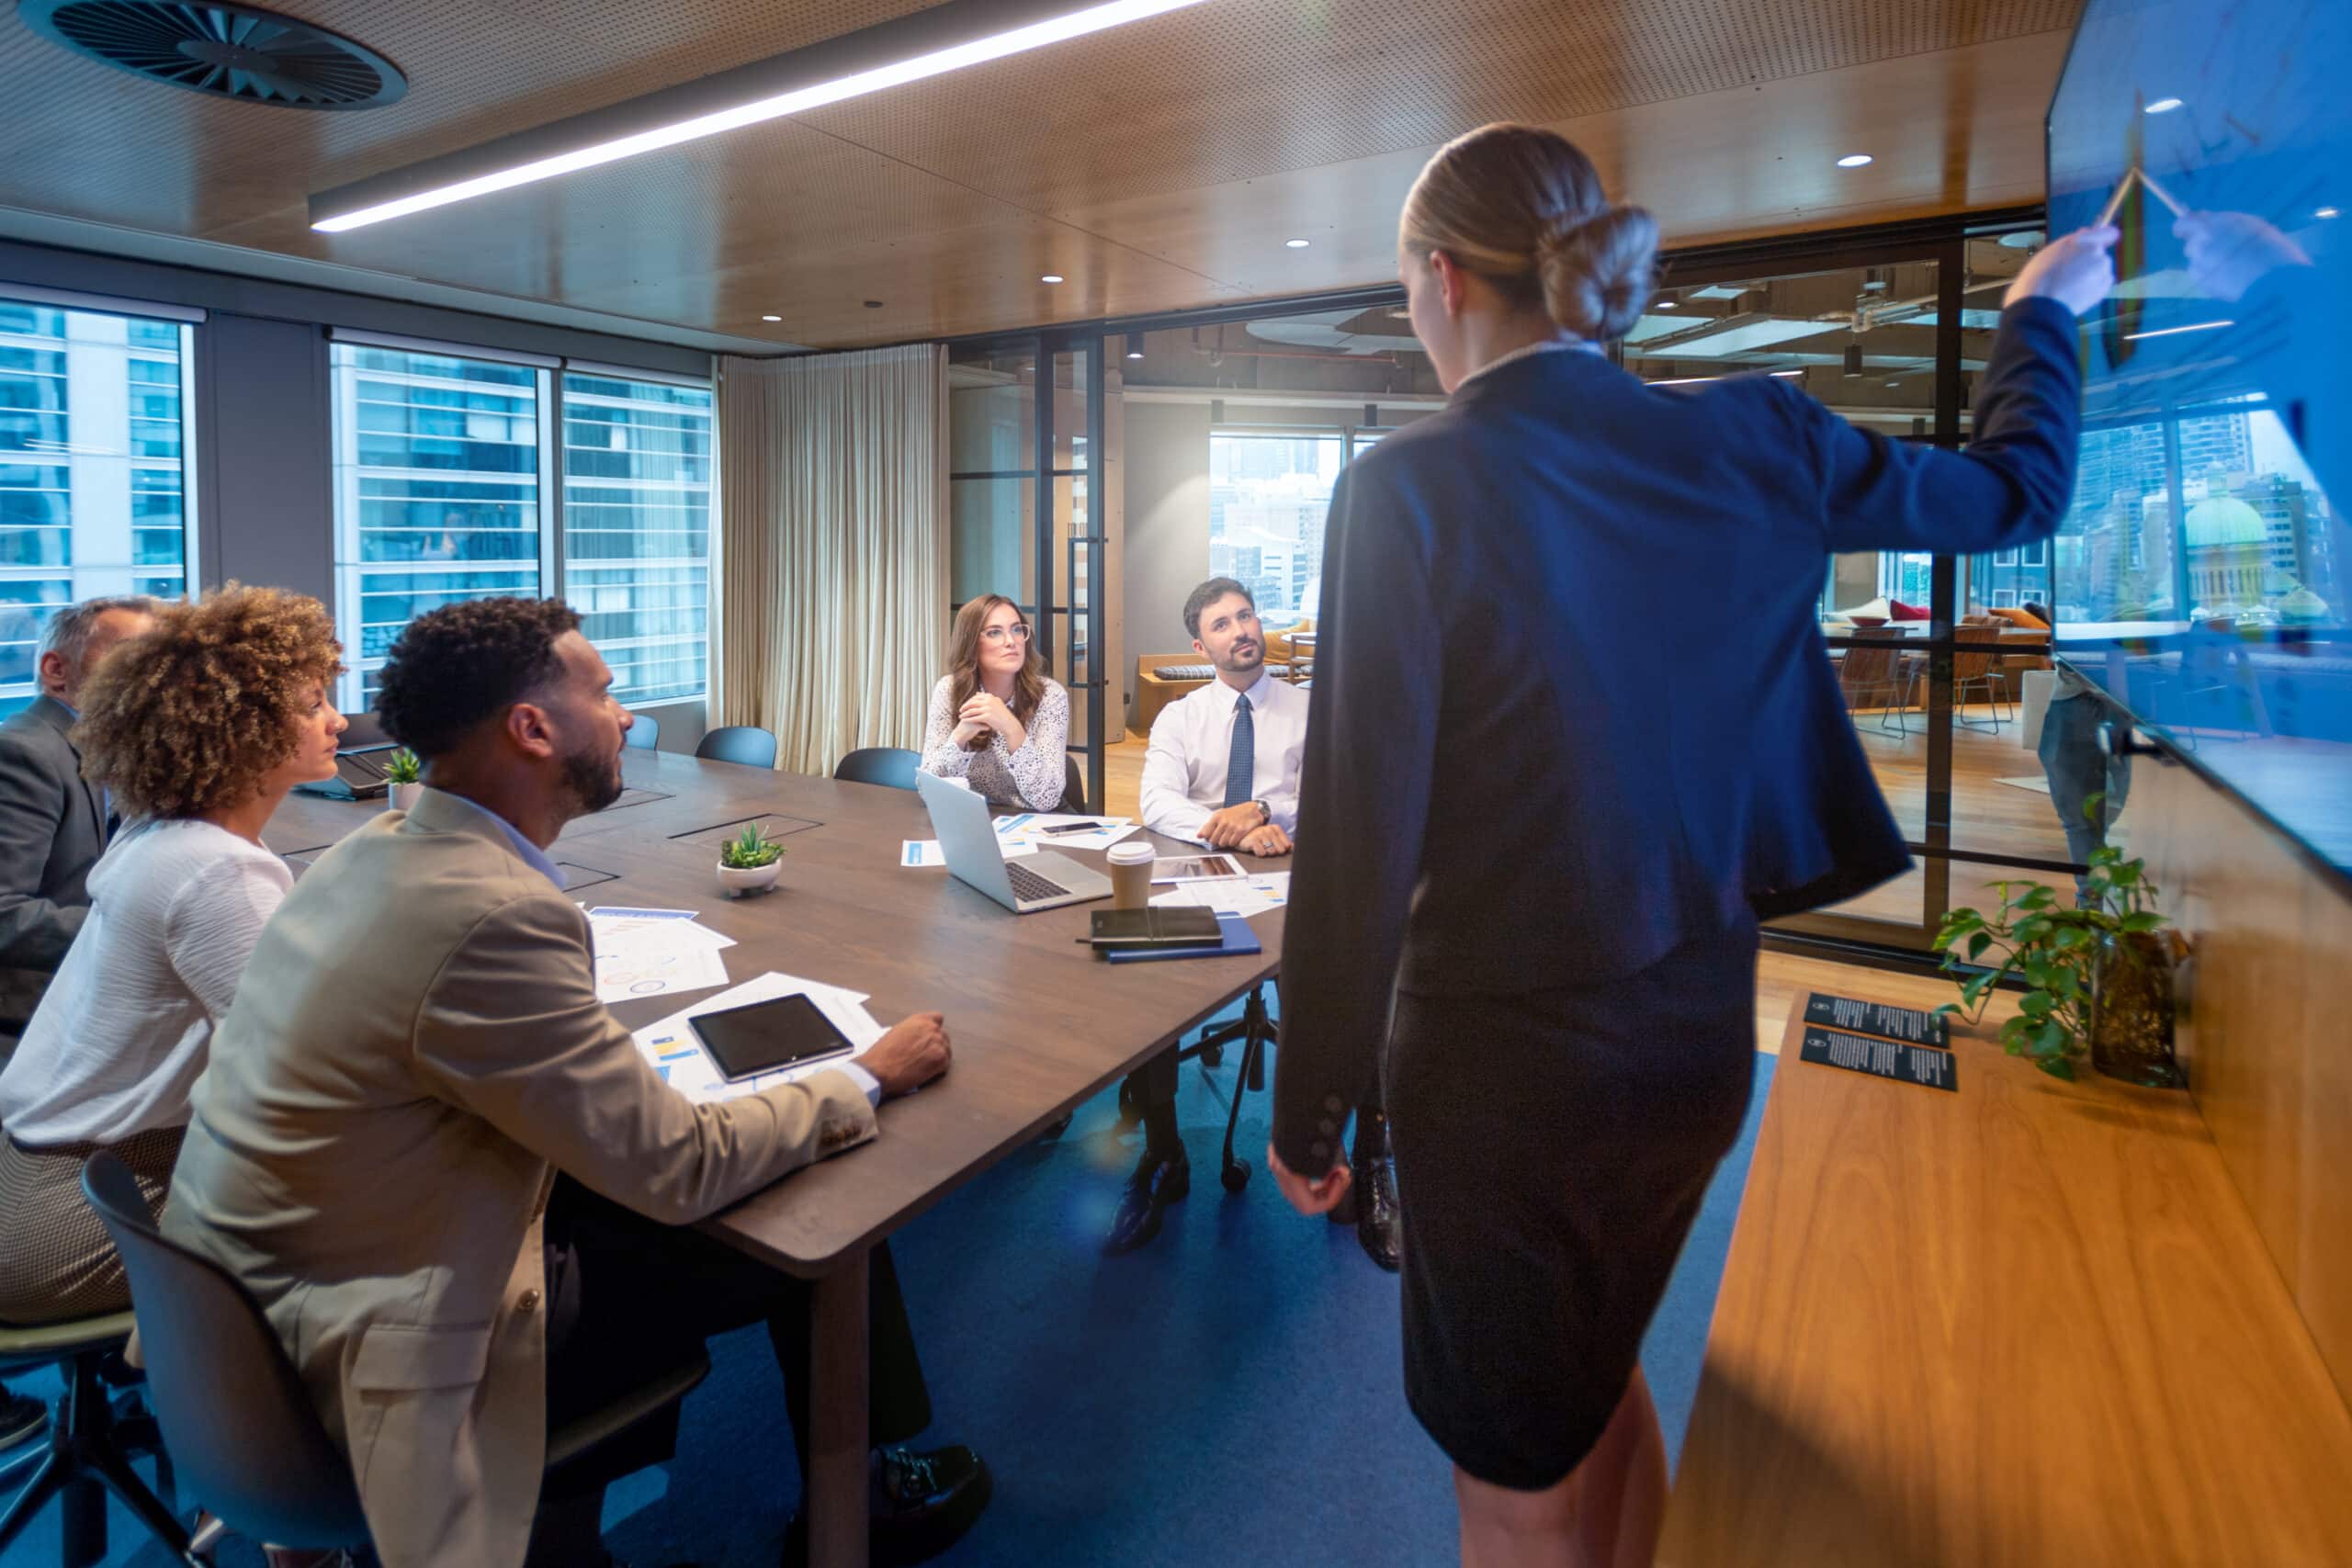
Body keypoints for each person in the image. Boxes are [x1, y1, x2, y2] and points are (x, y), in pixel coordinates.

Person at [1263, 122, 2117, 1568]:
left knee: (1510, 1477)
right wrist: (2039, 306)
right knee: (1595, 1385)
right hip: (1692, 1039)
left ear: (1445, 279)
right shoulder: (1754, 432)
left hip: (1502, 1069)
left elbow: (1357, 830)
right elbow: (2014, 494)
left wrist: (1308, 1106)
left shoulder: (1407, 486)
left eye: (1404, 288)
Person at [163, 598, 989, 1568]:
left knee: (646, 1184)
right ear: (532, 728)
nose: (628, 716)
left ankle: (563, 1535)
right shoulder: (493, 915)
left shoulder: (367, 854)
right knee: (818, 1217)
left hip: (242, 1322)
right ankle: (860, 1507)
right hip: (373, 1336)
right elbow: (680, 1165)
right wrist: (866, 1075)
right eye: (604, 693)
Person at [0, 586, 343, 1328]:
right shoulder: (215, 866)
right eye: (314, 702)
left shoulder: (159, 832)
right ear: (240, 723)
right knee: (385, 1204)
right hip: (71, 1217)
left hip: (39, 1170)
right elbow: (308, 1073)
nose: (338, 720)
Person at [1113, 577, 1400, 1269]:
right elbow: (1155, 801)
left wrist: (1266, 815)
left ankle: (1370, 1161)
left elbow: (1336, 792)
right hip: (1209, 871)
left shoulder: (1311, 708)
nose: (1241, 630)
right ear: (1199, 643)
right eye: (1222, 623)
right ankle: (1164, 1151)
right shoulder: (1182, 716)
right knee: (1138, 959)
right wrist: (1231, 829)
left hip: (1303, 876)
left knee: (1363, 982)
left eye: (1246, 616)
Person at [0, 592, 153, 1454]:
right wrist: (132, 923)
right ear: (58, 671)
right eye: (128, 663)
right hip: (24, 1031)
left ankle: (141, 1371)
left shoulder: (100, 754)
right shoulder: (24, 753)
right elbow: (3, 914)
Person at [920, 594, 1071, 809]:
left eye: (1017, 629)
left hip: (1036, 820)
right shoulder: (949, 690)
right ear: (970, 642)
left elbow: (1046, 798)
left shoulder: (1050, 695)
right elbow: (928, 790)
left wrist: (1011, 727)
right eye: (994, 632)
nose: (1011, 641)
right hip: (977, 817)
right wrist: (960, 737)